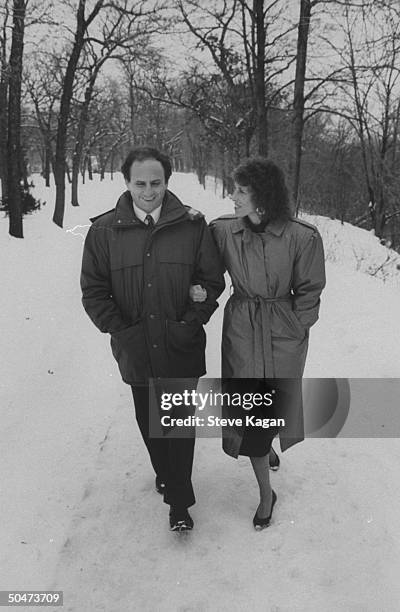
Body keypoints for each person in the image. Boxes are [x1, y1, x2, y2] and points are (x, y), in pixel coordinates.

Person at [80, 146, 225, 532]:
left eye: (156, 182)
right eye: (140, 183)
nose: (149, 191)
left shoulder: (193, 226)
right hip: (136, 347)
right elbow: (93, 291)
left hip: (180, 344)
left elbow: (212, 281)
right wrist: (121, 330)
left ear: (167, 181)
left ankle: (180, 501)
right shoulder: (103, 231)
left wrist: (192, 320)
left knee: (178, 425)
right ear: (126, 182)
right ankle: (166, 474)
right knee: (150, 422)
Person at [191, 158, 325, 529]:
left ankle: (266, 456)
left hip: (283, 332)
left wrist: (298, 324)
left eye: (241, 191)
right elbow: (201, 261)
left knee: (273, 401)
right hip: (242, 331)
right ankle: (266, 489)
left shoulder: (303, 236)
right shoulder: (223, 231)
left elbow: (311, 289)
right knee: (247, 409)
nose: (232, 197)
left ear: (262, 197)